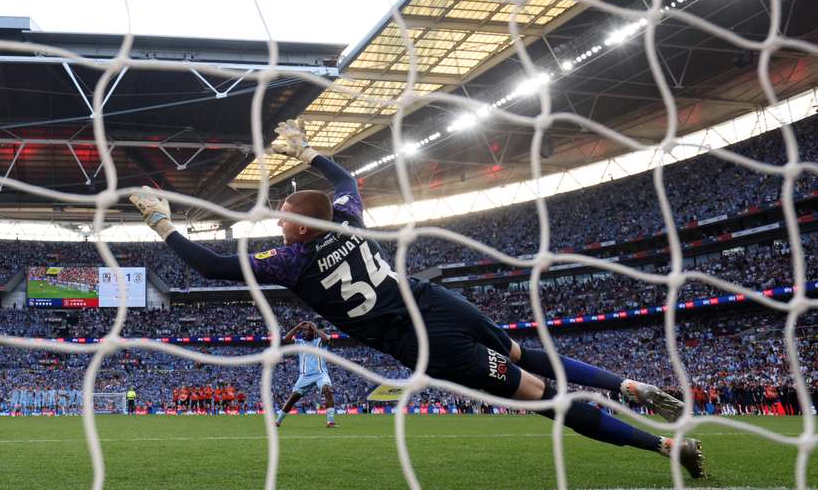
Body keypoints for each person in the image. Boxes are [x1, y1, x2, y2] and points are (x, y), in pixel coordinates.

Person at [130, 120, 704, 478]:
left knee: (543, 396)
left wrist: (163, 223)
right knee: (524, 352)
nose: (277, 224)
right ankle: (623, 385)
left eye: (283, 219)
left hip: (425, 343)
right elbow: (347, 184)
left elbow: (211, 264)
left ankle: (658, 446)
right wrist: (309, 154)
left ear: (299, 230)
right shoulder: (347, 223)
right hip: (438, 302)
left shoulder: (292, 261)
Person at [275, 321, 337, 428]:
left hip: (320, 374)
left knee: (328, 390)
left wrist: (314, 328)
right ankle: (278, 421)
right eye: (306, 331)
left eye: (309, 331)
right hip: (305, 376)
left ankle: (330, 422)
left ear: (313, 332)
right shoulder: (300, 343)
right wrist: (298, 327)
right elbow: (285, 340)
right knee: (293, 398)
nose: (307, 333)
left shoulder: (320, 342)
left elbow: (327, 339)